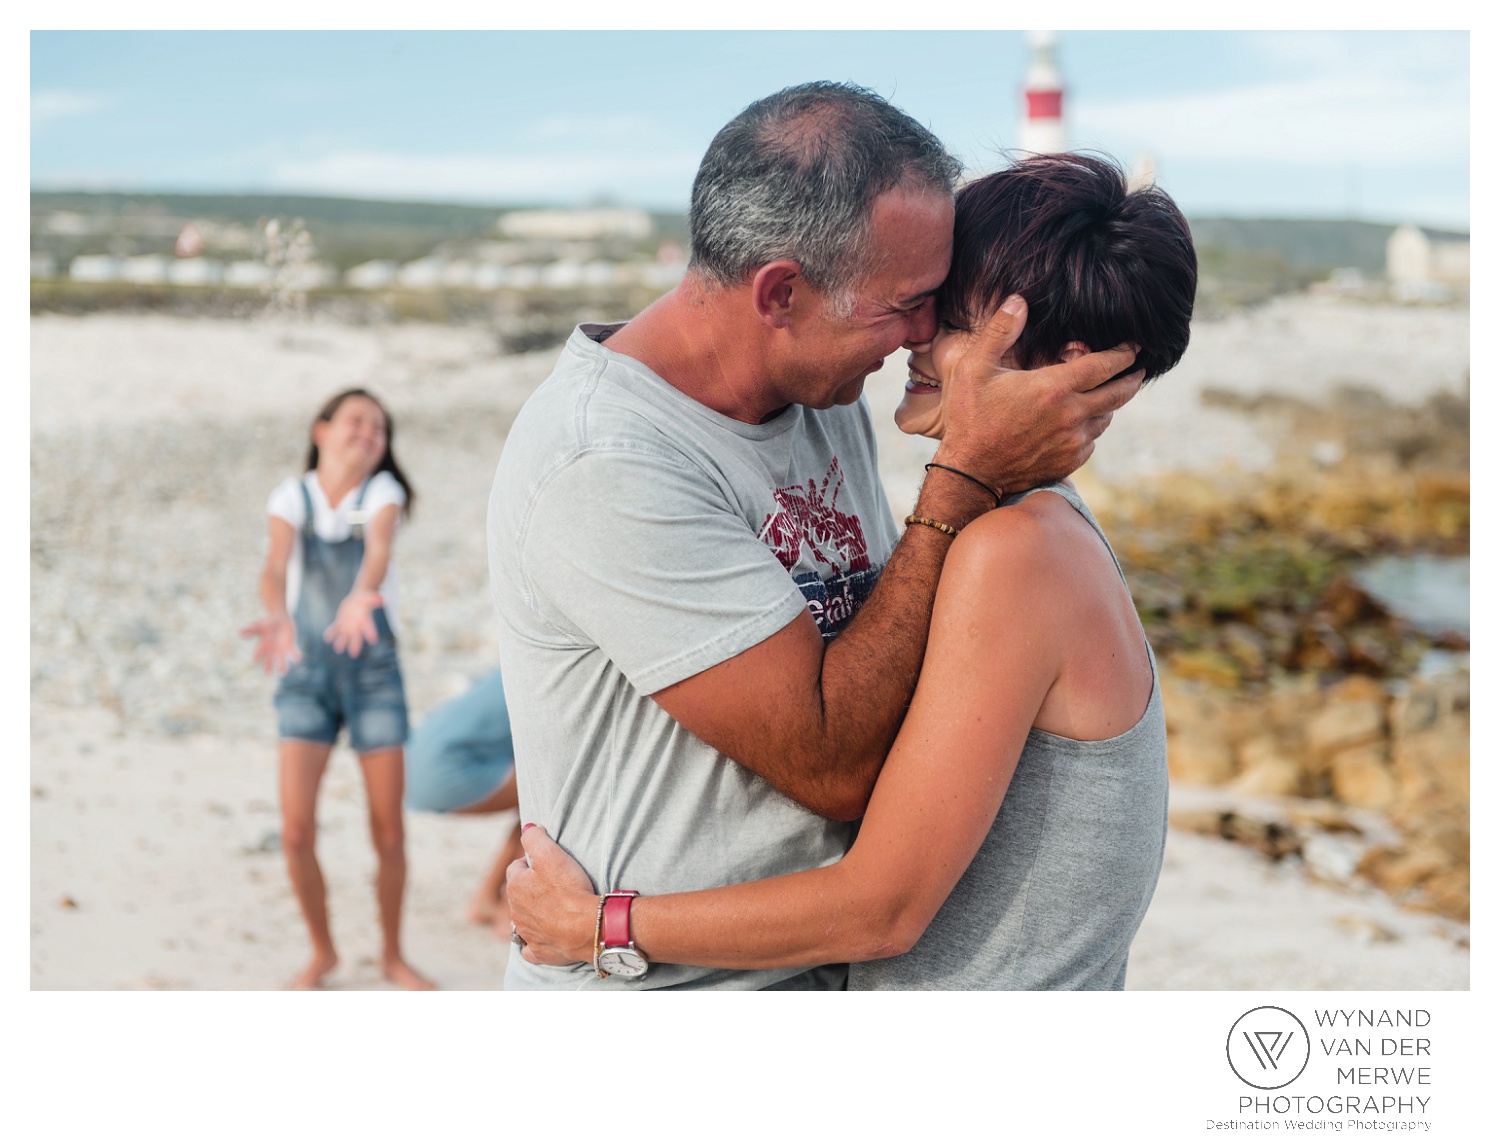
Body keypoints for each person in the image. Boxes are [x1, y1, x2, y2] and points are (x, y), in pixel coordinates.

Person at [487, 83, 1144, 990]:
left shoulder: (817, 396)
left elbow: (891, 654)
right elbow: (832, 761)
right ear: (781, 293)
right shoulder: (606, 458)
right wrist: (962, 479)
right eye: (908, 303)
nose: (920, 335)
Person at [240, 388, 434, 990]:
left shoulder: (382, 493)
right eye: (356, 420)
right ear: (321, 430)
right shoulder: (290, 497)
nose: (368, 432)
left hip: (374, 673)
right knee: (296, 830)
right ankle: (321, 952)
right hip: (306, 675)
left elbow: (378, 548)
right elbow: (275, 566)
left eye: (379, 427)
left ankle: (392, 955)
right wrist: (277, 613)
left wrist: (358, 595)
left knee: (389, 831)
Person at [403, 668, 524, 933]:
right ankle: (512, 914)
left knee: (534, 797)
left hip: (409, 765)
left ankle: (487, 898)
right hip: (444, 770)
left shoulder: (512, 658)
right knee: (551, 792)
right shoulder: (546, 670)